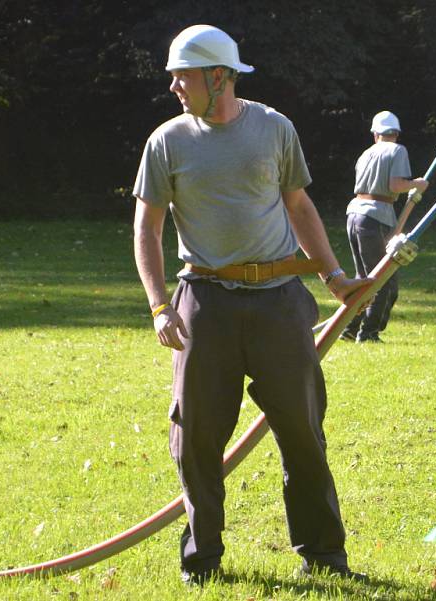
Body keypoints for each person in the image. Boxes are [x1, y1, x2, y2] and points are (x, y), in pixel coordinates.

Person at [132, 24, 368, 586]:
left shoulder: (274, 129)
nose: (173, 86)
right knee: (195, 436)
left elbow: (299, 204)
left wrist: (334, 275)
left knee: (304, 430)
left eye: (182, 76)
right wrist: (160, 306)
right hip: (203, 303)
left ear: (219, 77)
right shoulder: (167, 141)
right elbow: (147, 226)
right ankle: (203, 558)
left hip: (279, 302)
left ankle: (324, 555)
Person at [341, 111, 428, 343]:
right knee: (381, 279)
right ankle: (368, 333)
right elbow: (395, 184)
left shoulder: (366, 153)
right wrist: (416, 184)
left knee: (363, 277)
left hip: (354, 214)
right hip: (373, 217)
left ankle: (349, 329)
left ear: (375, 134)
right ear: (396, 133)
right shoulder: (397, 150)